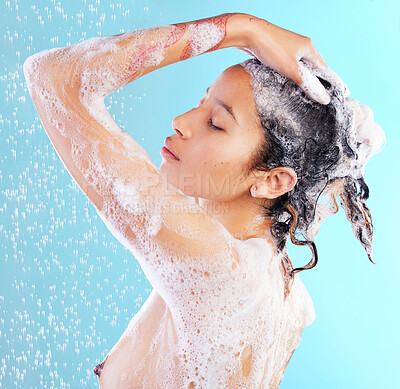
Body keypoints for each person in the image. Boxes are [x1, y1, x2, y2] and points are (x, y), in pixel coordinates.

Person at [23, 12, 384, 388]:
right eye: (201, 101)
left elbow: (52, 77)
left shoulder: (217, 270)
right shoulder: (280, 293)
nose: (182, 120)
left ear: (274, 180)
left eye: (217, 123)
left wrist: (242, 28)